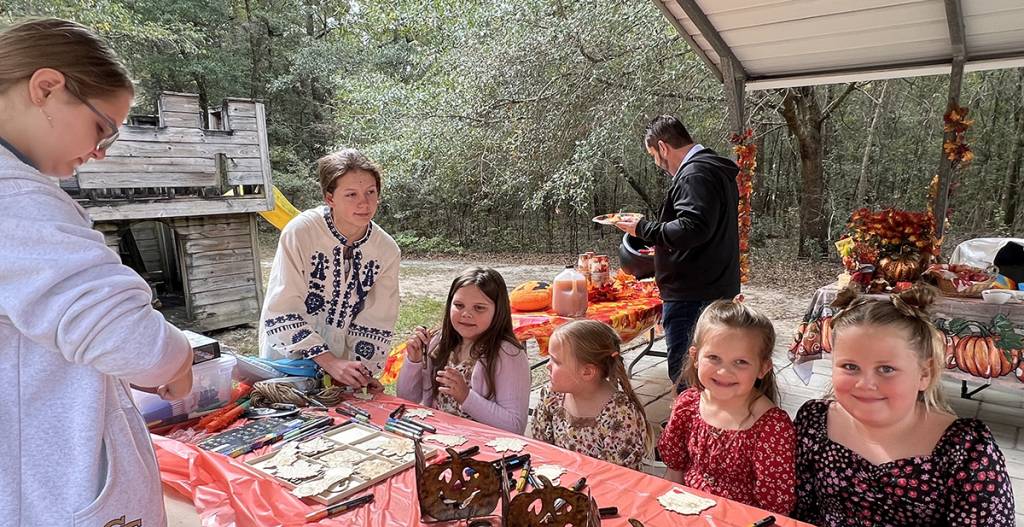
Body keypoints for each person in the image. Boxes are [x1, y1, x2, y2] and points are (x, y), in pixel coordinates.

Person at [0, 18, 194, 525]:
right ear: (45, 88)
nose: (101, 151)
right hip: (51, 490)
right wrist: (175, 360)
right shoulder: (13, 198)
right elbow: (121, 332)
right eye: (101, 127)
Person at [793, 286, 1016, 526]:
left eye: (886, 369)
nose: (865, 384)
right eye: (850, 366)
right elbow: (795, 512)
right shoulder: (814, 422)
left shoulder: (967, 450)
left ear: (924, 374)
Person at [259, 148, 400, 390]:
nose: (364, 203)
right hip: (289, 357)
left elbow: (377, 319)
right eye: (351, 194)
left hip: (342, 368)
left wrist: (361, 372)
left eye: (370, 192)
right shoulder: (301, 232)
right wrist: (328, 361)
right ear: (330, 198)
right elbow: (283, 307)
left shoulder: (386, 250)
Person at [617, 115, 740, 389]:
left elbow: (692, 228)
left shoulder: (695, 173)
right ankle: (705, 426)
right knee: (711, 369)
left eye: (654, 156)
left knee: (688, 374)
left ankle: (688, 429)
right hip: (714, 284)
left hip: (692, 295)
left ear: (663, 147)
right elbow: (702, 228)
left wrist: (644, 228)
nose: (658, 164)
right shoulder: (713, 169)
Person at [657, 296, 795, 515]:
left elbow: (775, 511)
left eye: (740, 362)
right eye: (714, 357)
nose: (724, 372)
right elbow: (674, 473)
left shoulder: (771, 428)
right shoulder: (688, 404)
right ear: (695, 357)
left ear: (763, 367)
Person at [396, 267, 530, 434]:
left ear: (498, 311)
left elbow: (515, 425)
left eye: (479, 308)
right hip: (437, 439)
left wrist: (466, 396)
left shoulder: (508, 354)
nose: (466, 314)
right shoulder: (438, 341)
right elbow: (406, 399)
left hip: (481, 451)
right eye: (459, 305)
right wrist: (414, 362)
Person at [530, 320, 652, 470]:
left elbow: (615, 478)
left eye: (556, 361)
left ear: (587, 372)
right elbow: (542, 449)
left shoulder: (621, 415)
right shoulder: (552, 397)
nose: (548, 366)